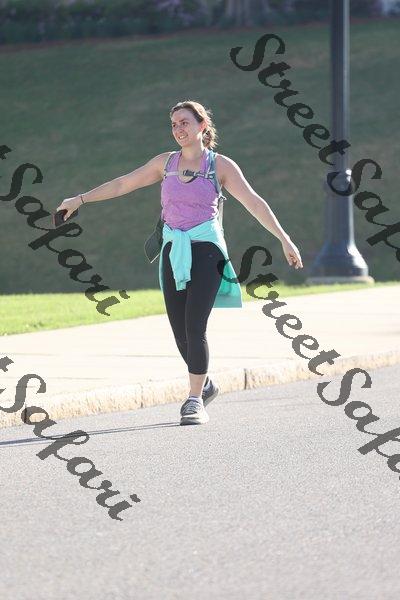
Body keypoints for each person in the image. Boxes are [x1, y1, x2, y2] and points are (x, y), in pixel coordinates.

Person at [56, 99, 303, 427]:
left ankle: (194, 400)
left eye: (185, 122)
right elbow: (123, 183)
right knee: (180, 333)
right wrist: (80, 199)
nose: (178, 129)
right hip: (174, 251)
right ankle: (206, 383)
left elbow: (255, 203)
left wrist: (284, 239)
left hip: (208, 252)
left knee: (194, 326)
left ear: (202, 125)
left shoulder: (220, 166)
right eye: (174, 124)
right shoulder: (165, 163)